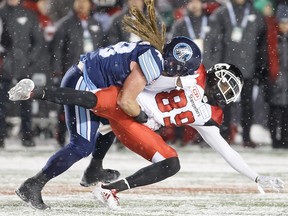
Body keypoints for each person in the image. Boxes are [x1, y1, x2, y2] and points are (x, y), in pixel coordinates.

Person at [9, 62, 284, 210]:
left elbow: (226, 150)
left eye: (230, 90)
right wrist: (177, 80)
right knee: (91, 102)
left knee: (171, 162)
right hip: (129, 100)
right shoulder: (192, 71)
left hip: (136, 126)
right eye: (225, 83)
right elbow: (150, 74)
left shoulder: (209, 115)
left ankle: (109, 187)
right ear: (216, 72)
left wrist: (256, 177)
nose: (225, 92)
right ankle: (35, 93)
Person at [8, 0, 202, 210]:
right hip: (84, 82)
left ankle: (94, 169)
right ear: (176, 65)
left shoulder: (154, 52)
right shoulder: (153, 64)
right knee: (81, 145)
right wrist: (143, 118)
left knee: (114, 117)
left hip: (89, 77)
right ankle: (34, 184)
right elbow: (126, 101)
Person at [204, 0, 268, 148]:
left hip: (249, 68)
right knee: (224, 104)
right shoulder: (222, 13)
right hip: (227, 69)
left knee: (247, 104)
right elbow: (212, 41)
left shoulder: (256, 14)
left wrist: (260, 66)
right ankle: (223, 136)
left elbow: (262, 44)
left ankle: (246, 136)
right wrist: (213, 65)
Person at [51, 0, 106, 147]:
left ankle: (91, 136)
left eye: (85, 2)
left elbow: (103, 49)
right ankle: (61, 136)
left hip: (93, 73)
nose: (82, 5)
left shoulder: (96, 24)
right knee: (66, 105)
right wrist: (57, 72)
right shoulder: (65, 24)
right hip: (72, 71)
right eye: (79, 1)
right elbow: (57, 50)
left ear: (90, 5)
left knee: (94, 104)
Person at [0, 0, 44, 147]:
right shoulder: (1, 13)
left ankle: (27, 135)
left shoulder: (29, 14)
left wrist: (28, 59)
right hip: (3, 68)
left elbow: (38, 42)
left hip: (24, 67)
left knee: (26, 102)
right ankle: (1, 136)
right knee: (2, 103)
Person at [267, 4, 288, 149]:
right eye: (282, 22)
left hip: (285, 78)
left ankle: (285, 138)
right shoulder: (271, 37)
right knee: (274, 111)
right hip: (275, 79)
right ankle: (275, 138)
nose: (285, 26)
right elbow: (267, 59)